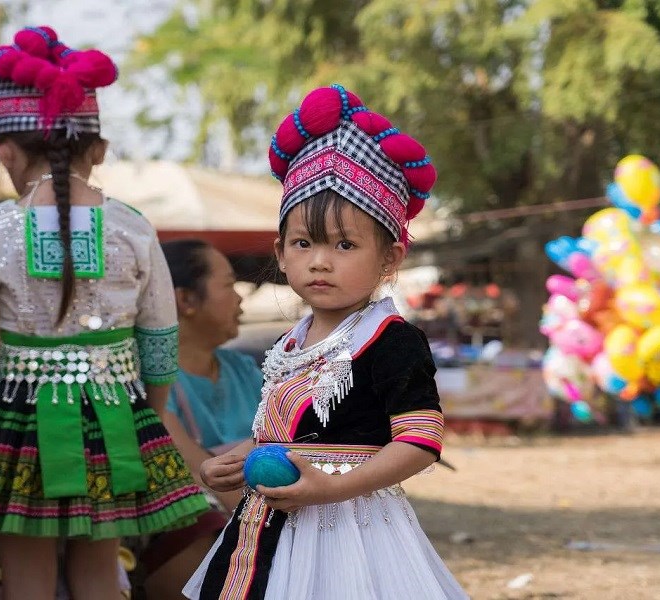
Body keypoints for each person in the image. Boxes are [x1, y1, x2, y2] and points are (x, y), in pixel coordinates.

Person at [0, 27, 208, 599]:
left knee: (26, 582)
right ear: (99, 150)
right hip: (114, 415)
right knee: (100, 575)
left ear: (5, 150)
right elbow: (158, 340)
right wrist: (148, 417)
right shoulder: (133, 227)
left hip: (16, 421)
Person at [185, 85, 468, 599]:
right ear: (281, 251)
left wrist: (333, 487)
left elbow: (420, 443)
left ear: (391, 258)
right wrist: (233, 458)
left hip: (351, 531)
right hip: (268, 525)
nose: (320, 260)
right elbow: (293, 434)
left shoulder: (390, 341)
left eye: (345, 244)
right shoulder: (289, 344)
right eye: (304, 243)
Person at [142, 239, 262, 600]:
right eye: (228, 285)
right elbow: (201, 473)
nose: (240, 298)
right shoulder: (150, 382)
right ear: (186, 299)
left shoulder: (246, 370)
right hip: (230, 522)